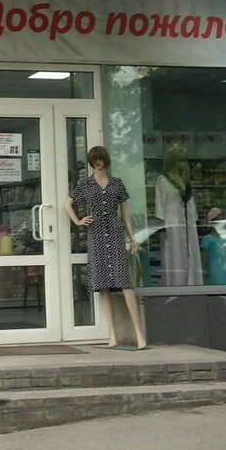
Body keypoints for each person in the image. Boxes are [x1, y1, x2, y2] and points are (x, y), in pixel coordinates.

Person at [63, 145, 147, 349]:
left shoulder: (117, 183)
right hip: (96, 234)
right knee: (103, 285)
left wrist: (132, 237)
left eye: (100, 158)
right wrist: (78, 221)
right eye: (95, 159)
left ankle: (139, 334)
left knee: (124, 282)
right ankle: (112, 335)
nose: (98, 162)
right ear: (91, 162)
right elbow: (67, 204)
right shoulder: (85, 184)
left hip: (115, 232)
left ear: (105, 160)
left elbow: (125, 212)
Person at [155, 145, 203, 286]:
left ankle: (192, 285)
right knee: (174, 256)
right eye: (179, 160)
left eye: (184, 160)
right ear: (172, 161)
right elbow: (160, 204)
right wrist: (161, 229)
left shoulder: (186, 181)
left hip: (189, 226)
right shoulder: (163, 181)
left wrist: (195, 222)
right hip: (172, 225)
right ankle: (175, 287)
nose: (182, 163)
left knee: (191, 255)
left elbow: (191, 206)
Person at [199, 207, 226, 285]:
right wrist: (203, 270)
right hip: (215, 269)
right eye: (219, 219)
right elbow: (204, 257)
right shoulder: (207, 239)